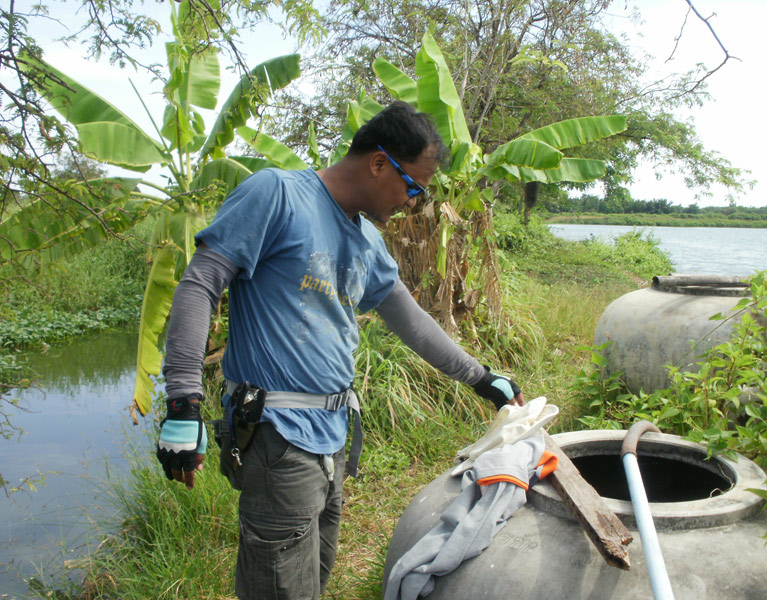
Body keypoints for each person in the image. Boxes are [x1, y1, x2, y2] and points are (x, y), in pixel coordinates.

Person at [155, 101, 525, 600]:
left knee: (314, 578)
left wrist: (483, 378)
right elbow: (200, 284)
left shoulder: (367, 240)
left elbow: (412, 323)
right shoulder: (278, 194)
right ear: (378, 163)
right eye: (412, 186)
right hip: (277, 436)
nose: (413, 202)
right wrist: (183, 401)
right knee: (280, 587)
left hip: (331, 438)